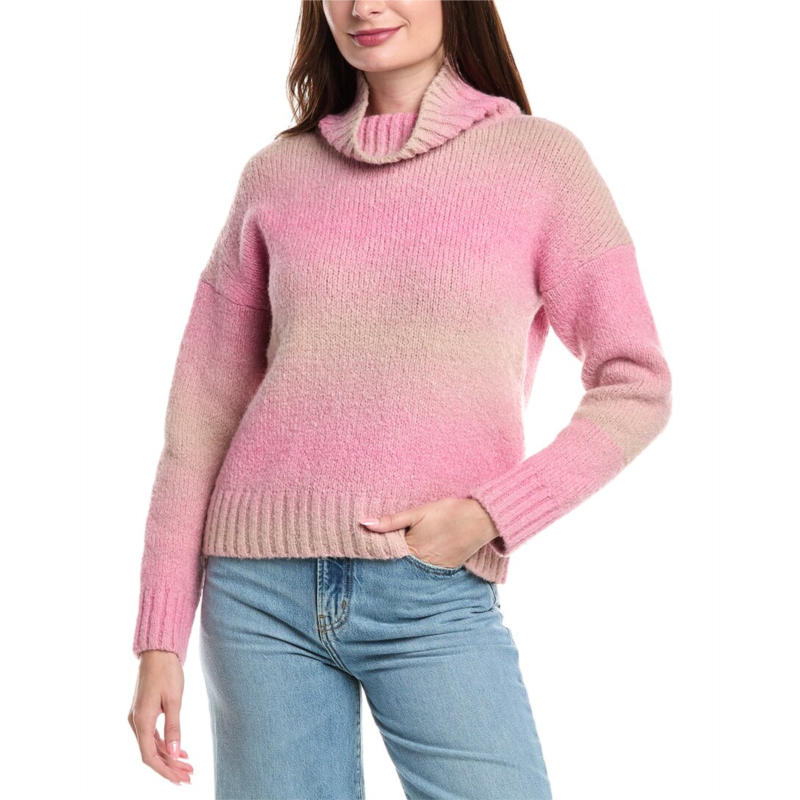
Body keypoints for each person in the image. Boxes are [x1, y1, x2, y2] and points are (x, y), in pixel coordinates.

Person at [127, 1, 672, 798]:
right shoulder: (276, 176)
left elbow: (638, 382)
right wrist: (160, 637)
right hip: (255, 596)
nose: (363, 5)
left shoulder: (541, 163)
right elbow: (199, 422)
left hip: (432, 591)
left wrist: (491, 515)